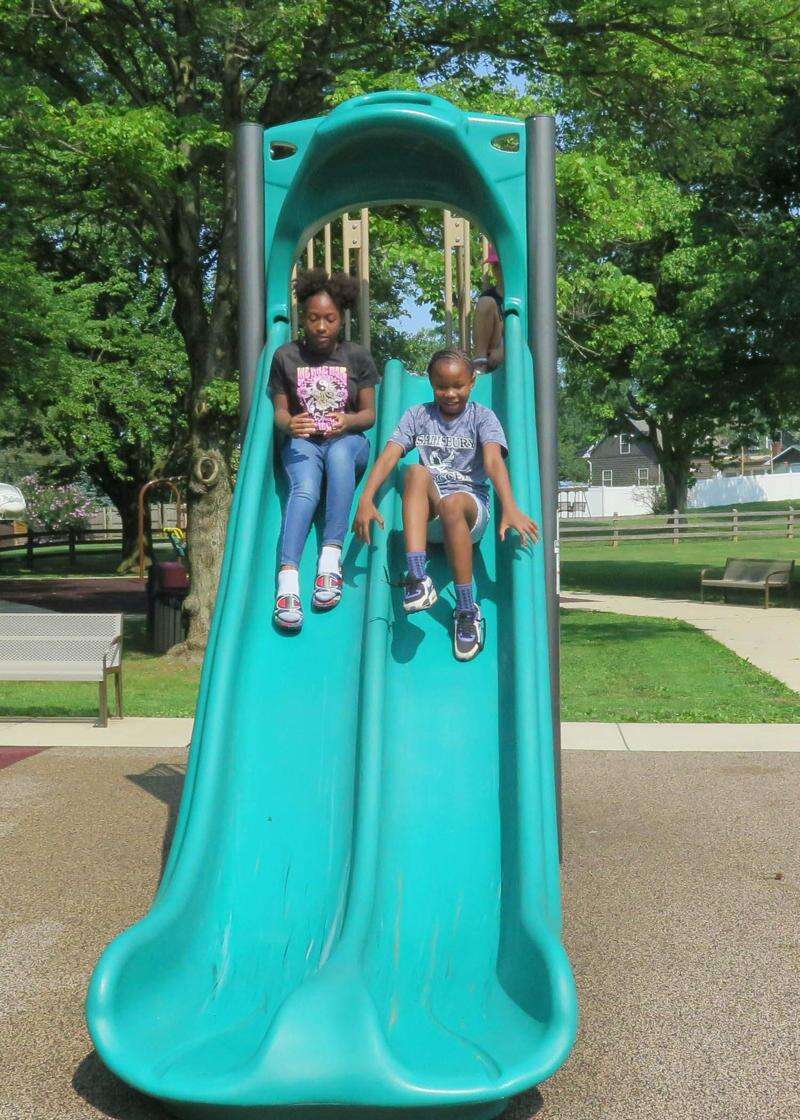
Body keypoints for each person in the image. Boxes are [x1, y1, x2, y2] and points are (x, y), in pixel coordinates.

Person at [353, 349, 538, 662]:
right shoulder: (418, 415)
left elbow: (493, 462)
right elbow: (388, 455)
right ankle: (417, 577)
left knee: (453, 502)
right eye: (442, 386)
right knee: (413, 471)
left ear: (472, 382)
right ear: (430, 383)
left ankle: (466, 609)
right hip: (431, 516)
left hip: (469, 512)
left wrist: (510, 505)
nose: (450, 393)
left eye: (458, 386)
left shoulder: (482, 417)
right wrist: (366, 497)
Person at [269, 268, 378, 630]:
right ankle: (288, 582)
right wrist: (289, 425)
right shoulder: (286, 357)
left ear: (342, 319)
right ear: (303, 317)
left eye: (329, 319)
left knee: (340, 455)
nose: (320, 326)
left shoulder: (357, 357)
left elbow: (368, 416)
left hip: (347, 442)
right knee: (305, 489)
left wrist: (346, 422)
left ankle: (330, 560)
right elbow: (281, 413)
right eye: (313, 318)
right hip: (305, 443)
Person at [472, 243, 504, 372]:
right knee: (486, 303)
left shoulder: (528, 295)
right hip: (492, 357)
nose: (498, 271)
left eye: (501, 266)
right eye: (495, 266)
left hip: (520, 353)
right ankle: (480, 364)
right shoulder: (489, 298)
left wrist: (506, 350)